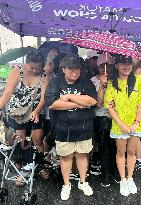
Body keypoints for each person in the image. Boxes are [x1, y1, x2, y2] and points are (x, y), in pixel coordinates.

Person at [45, 55, 97, 200]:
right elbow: (52, 103)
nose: (75, 71)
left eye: (77, 68)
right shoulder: (55, 81)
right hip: (62, 128)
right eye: (71, 68)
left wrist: (68, 96)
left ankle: (83, 181)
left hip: (84, 127)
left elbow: (92, 101)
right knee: (66, 157)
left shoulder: (85, 81)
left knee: (82, 155)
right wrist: (79, 104)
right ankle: (66, 184)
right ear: (63, 69)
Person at [104, 54, 141, 196]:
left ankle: (130, 178)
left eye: (129, 62)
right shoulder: (112, 82)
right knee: (120, 152)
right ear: (116, 65)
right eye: (122, 63)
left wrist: (136, 122)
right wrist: (121, 124)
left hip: (136, 124)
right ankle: (122, 180)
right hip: (119, 125)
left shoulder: (139, 79)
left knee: (131, 152)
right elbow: (109, 106)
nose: (126, 66)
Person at [0, 49, 48, 154]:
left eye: (38, 68)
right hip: (17, 111)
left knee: (37, 138)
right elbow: (8, 92)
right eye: (32, 67)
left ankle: (41, 162)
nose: (35, 71)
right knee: (20, 139)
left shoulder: (45, 76)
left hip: (35, 110)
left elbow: (44, 98)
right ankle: (21, 163)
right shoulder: (17, 71)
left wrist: (36, 111)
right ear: (25, 63)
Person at [90, 52, 116, 187]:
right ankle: (106, 173)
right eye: (101, 66)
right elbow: (98, 103)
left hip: (115, 115)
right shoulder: (93, 80)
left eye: (108, 66)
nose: (104, 69)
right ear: (98, 67)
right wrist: (101, 86)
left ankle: (115, 169)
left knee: (116, 143)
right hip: (100, 116)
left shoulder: (117, 79)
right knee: (105, 142)